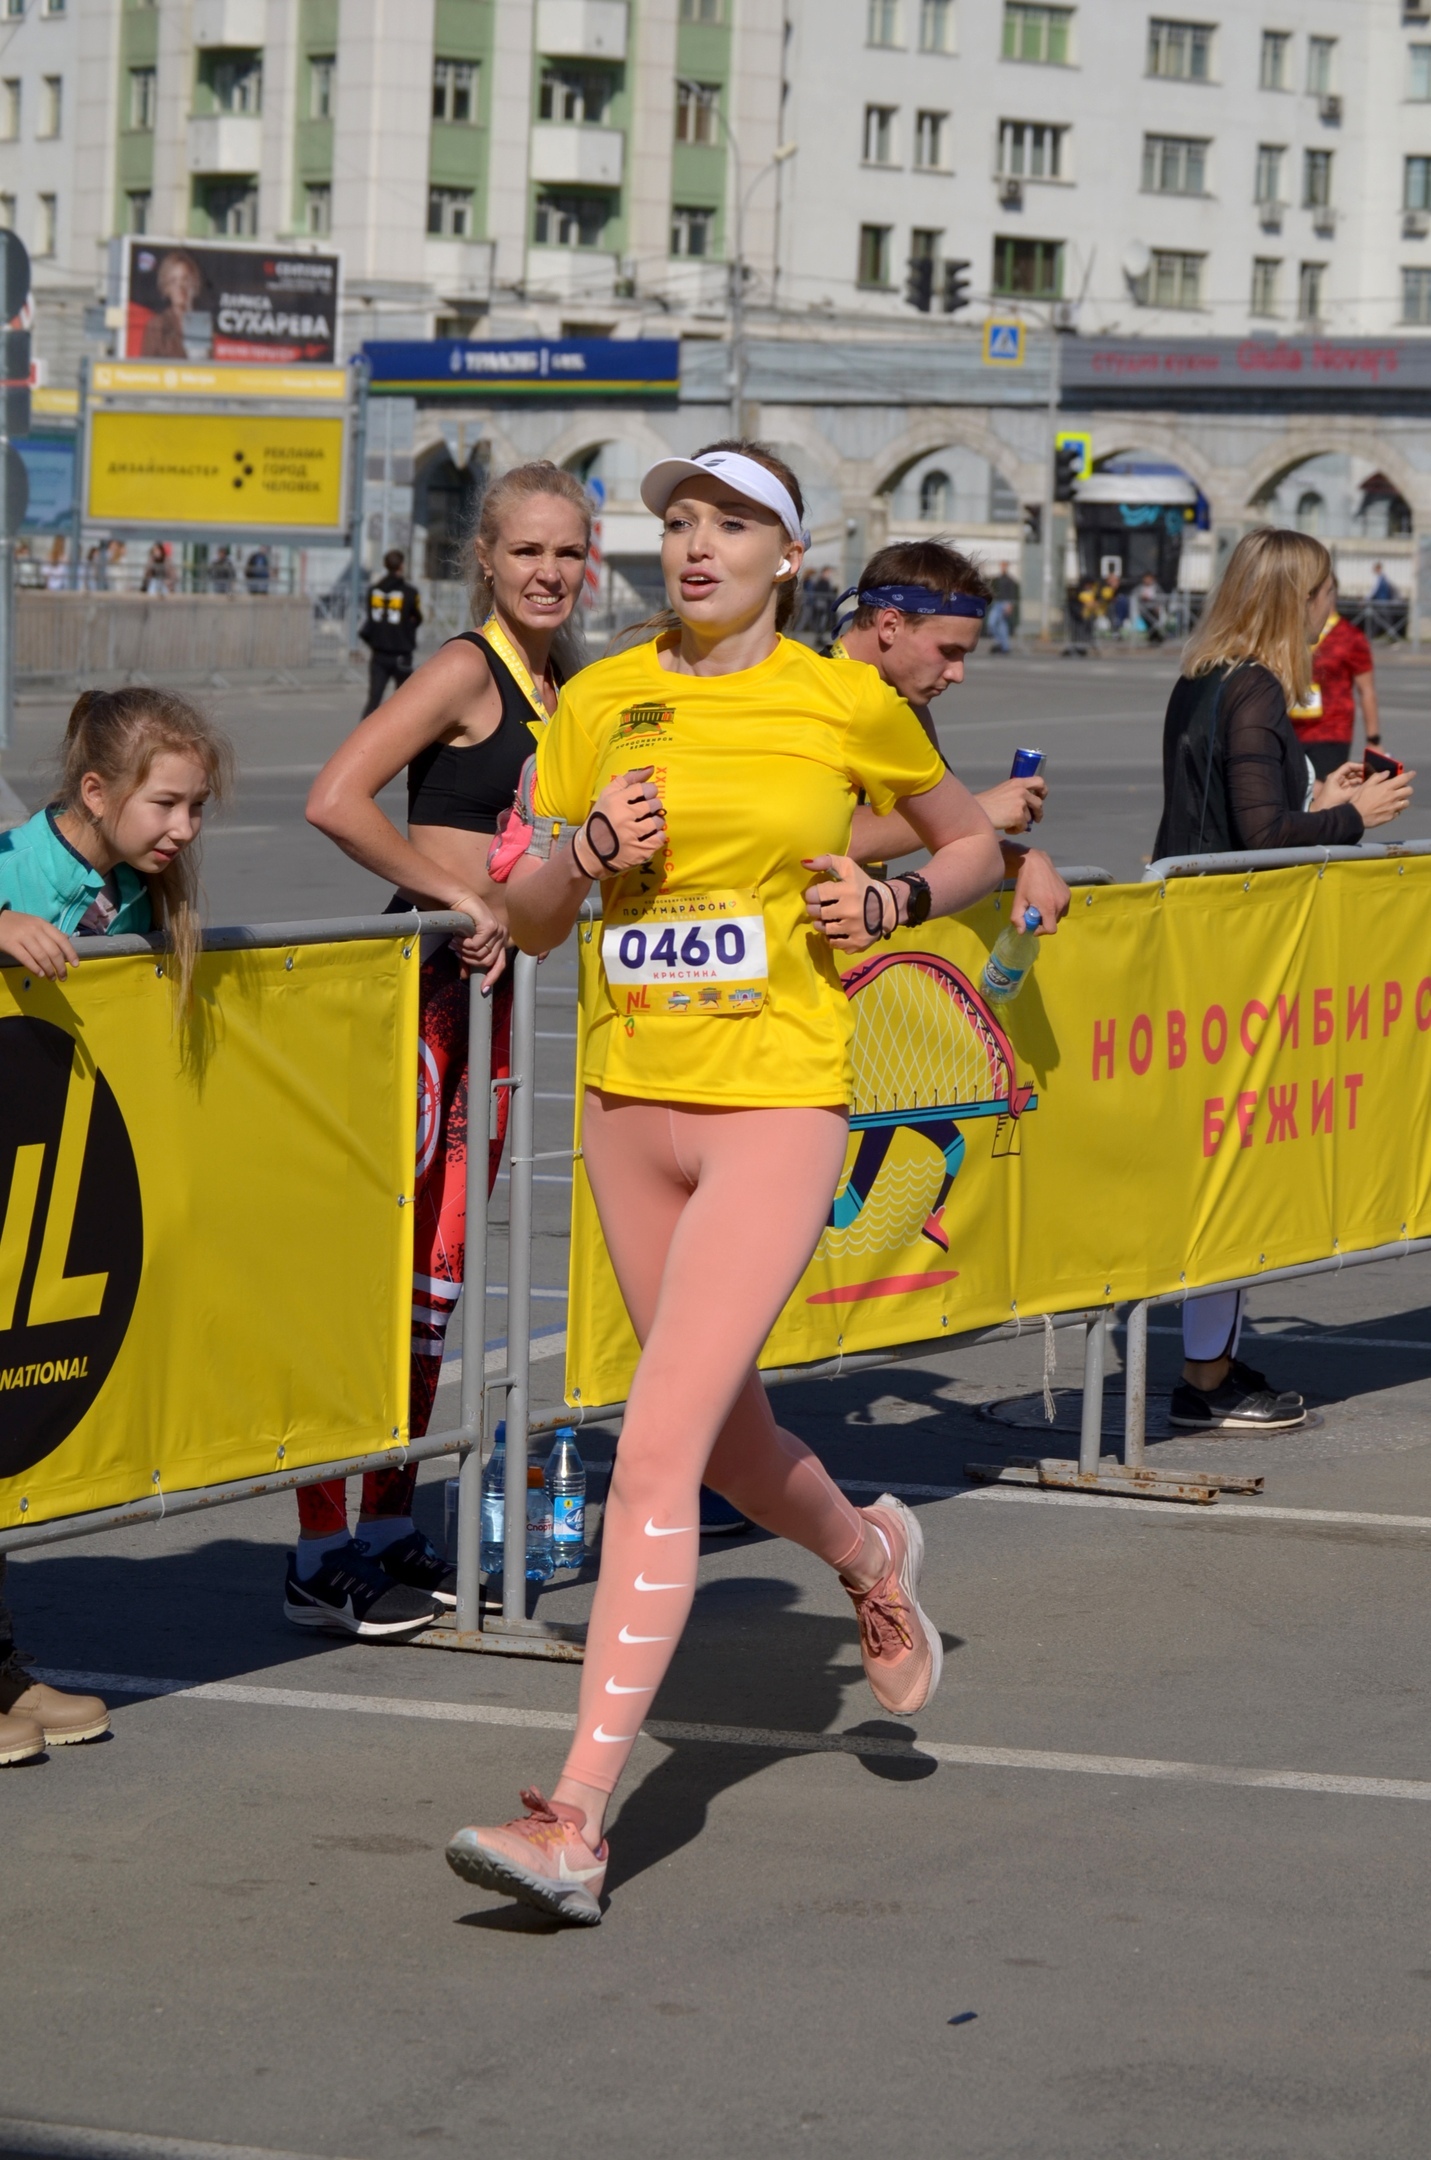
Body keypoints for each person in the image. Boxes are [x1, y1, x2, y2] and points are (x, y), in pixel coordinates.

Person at [444, 439, 1005, 1924]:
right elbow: (529, 913)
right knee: (713, 1436)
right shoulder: (599, 700)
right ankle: (864, 1545)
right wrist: (578, 848)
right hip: (631, 1106)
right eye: (679, 522)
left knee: (650, 1438)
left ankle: (574, 1818)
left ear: (787, 556)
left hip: (776, 1105)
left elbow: (967, 848)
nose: (695, 547)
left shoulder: (844, 697)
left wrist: (885, 895)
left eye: (729, 524)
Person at [301, 462, 587, 1639]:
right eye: (528, 552)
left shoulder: (564, 682)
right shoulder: (468, 668)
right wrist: (451, 898)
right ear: (486, 556)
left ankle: (385, 1521)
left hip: (494, 1008)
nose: (550, 574)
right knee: (369, 1275)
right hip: (417, 997)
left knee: (437, 1282)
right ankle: (318, 1548)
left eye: (569, 553)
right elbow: (337, 797)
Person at [0, 686, 235, 1763]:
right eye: (170, 805)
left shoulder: (143, 890)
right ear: (97, 792)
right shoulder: (17, 865)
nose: (184, 830)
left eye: (195, 808)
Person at [1153, 527, 1414, 1433]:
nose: (1327, 612)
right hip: (1230, 949)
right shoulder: (1258, 686)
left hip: (1187, 936)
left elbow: (1231, 812)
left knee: (1220, 1155)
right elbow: (1258, 841)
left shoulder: (1203, 677)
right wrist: (1352, 815)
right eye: (1321, 596)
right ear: (1291, 600)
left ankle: (1210, 1359)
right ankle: (1206, 1380)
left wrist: (1316, 795)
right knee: (1237, 1158)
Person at [831, 540, 1070, 943]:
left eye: (965, 654)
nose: (957, 673)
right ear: (889, 625)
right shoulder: (816, 694)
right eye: (947, 651)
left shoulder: (903, 701)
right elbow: (821, 833)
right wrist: (978, 810)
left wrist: (1025, 858)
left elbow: (953, 837)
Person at [1287, 583, 1381, 778]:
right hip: (1291, 728)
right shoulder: (1294, 633)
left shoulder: (1351, 637)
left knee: (1322, 794)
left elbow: (1367, 691)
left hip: (1331, 730)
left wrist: (1374, 739)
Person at [360, 549, 424, 716]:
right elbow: (416, 618)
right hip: (401, 653)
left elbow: (371, 620)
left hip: (379, 653)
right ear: (401, 566)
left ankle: (364, 737)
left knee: (374, 699)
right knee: (404, 701)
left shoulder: (373, 591)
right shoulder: (410, 592)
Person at [140, 249, 206, 361]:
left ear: (194, 283)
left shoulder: (202, 323)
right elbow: (146, 369)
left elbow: (210, 367)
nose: (180, 286)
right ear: (166, 287)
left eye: (185, 279)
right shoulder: (157, 325)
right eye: (173, 281)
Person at [985, 561, 1020, 655]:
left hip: (1004, 603)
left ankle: (1004, 646)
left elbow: (1012, 593)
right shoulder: (998, 578)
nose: (1003, 568)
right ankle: (1001, 643)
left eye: (1004, 566)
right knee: (992, 623)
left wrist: (1009, 605)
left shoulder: (1010, 579)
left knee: (1002, 626)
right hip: (997, 603)